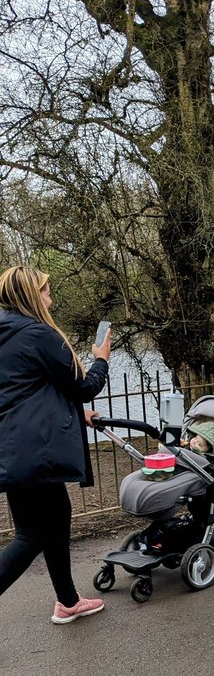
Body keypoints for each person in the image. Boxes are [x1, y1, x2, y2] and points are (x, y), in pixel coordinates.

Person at [0, 265, 111, 623]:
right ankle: (67, 599)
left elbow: (23, 391)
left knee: (57, 517)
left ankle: (67, 600)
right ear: (32, 295)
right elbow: (83, 386)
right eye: (46, 290)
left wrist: (74, 413)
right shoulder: (38, 334)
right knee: (31, 536)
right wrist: (101, 360)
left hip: (14, 448)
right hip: (36, 451)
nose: (50, 296)